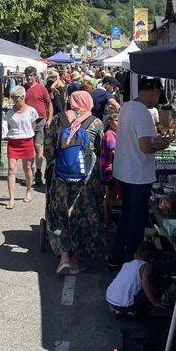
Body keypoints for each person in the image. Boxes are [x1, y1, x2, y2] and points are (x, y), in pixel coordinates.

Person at [108, 77, 172, 269]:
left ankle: (116, 257)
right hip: (137, 174)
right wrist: (163, 144)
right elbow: (145, 146)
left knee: (127, 216)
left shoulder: (126, 106)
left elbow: (138, 140)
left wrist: (156, 140)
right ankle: (130, 263)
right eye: (158, 95)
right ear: (155, 92)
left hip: (124, 171)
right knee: (135, 220)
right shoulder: (143, 112)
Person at [44, 91, 105, 275]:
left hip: (61, 178)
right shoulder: (95, 122)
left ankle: (63, 258)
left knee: (60, 213)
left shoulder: (58, 119)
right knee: (82, 215)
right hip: (86, 179)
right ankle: (77, 261)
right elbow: (100, 149)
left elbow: (48, 149)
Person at [106, 241, 167, 317]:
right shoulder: (147, 266)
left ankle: (120, 311)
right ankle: (132, 311)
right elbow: (145, 284)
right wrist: (154, 301)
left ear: (135, 255)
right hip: (124, 305)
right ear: (152, 260)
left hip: (110, 298)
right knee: (151, 288)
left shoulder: (127, 264)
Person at [4, 86, 39, 209]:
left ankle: (29, 190)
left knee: (28, 168)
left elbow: (33, 126)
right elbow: (9, 126)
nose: (15, 100)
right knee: (11, 169)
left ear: (23, 97)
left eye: (17, 97)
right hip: (13, 142)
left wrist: (26, 135)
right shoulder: (9, 112)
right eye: (13, 97)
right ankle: (11, 198)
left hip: (26, 141)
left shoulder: (31, 111)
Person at [23, 66, 52, 184]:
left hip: (40, 121)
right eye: (27, 75)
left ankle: (39, 172)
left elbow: (49, 103)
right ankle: (31, 172)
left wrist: (49, 119)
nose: (29, 78)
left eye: (31, 75)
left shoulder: (41, 88)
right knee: (28, 148)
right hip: (26, 121)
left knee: (38, 146)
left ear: (35, 76)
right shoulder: (22, 89)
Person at [100, 111, 120, 230]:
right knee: (109, 195)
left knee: (111, 194)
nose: (118, 123)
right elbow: (114, 152)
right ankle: (108, 220)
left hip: (112, 168)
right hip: (109, 169)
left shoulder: (114, 133)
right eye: (116, 120)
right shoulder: (110, 135)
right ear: (110, 121)